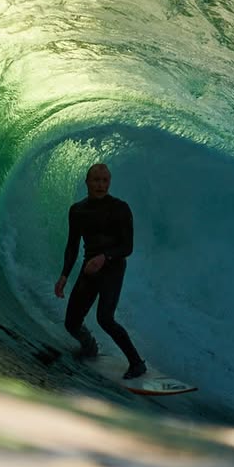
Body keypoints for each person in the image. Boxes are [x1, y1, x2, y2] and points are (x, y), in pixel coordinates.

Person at [54, 162, 147, 379]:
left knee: (105, 318)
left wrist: (105, 257)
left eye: (105, 180)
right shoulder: (77, 211)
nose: (100, 185)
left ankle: (136, 363)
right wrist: (64, 275)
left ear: (110, 183)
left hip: (113, 267)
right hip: (90, 269)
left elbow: (128, 247)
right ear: (87, 182)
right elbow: (72, 246)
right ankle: (89, 346)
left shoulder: (120, 208)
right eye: (96, 180)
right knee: (72, 323)